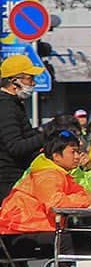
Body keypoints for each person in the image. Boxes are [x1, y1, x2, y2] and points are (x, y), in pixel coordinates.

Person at [0, 54, 46, 203]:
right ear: (14, 81)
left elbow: (26, 136)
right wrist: (45, 136)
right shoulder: (6, 106)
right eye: (29, 78)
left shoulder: (14, 104)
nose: (33, 82)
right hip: (7, 180)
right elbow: (15, 147)